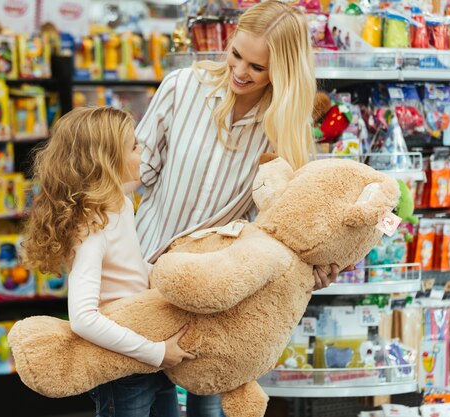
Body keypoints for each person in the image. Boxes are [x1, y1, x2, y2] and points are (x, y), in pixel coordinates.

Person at [133, 2, 353, 416]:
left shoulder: (285, 125)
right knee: (138, 397)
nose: (240, 71)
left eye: (257, 67)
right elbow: (135, 172)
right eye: (236, 54)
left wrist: (319, 266)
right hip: (145, 270)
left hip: (219, 289)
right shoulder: (182, 87)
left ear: (283, 71)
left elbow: (289, 221)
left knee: (209, 403)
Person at [21, 106, 195, 417]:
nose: (143, 151)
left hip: (149, 355)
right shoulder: (93, 227)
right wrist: (156, 352)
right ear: (108, 161)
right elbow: (84, 318)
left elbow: (130, 271)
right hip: (124, 370)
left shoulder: (120, 205)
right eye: (134, 146)